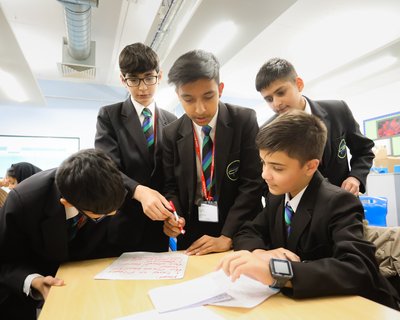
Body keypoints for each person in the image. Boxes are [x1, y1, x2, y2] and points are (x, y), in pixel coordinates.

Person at [218, 110, 399, 310]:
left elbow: (358, 269)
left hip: (358, 307)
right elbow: (247, 231)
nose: (265, 175)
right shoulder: (278, 197)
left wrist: (277, 272)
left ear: (311, 166)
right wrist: (261, 253)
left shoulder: (339, 202)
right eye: (263, 163)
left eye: (277, 168)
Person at [0, 149, 127, 319]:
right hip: (38, 286)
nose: (110, 215)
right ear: (66, 202)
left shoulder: (106, 187)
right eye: (100, 216)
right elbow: (6, 260)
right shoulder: (23, 202)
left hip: (91, 284)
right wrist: (36, 281)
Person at [163, 49, 263, 255]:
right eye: (188, 99)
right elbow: (170, 186)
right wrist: (175, 217)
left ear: (220, 89)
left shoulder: (244, 120)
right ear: (178, 96)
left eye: (208, 96)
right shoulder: (171, 133)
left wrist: (228, 236)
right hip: (192, 230)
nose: (199, 109)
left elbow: (252, 184)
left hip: (239, 228)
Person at [95, 42, 177, 252]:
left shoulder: (173, 121)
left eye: (149, 78)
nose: (142, 87)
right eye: (133, 79)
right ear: (123, 80)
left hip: (160, 225)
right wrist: (138, 191)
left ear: (159, 76)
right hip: (122, 222)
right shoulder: (109, 116)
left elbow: (174, 174)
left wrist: (175, 211)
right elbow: (107, 169)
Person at [255, 58, 374, 195]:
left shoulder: (338, 111)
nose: (276, 103)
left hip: (343, 201)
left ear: (299, 84)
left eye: (281, 93)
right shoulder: (266, 131)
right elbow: (265, 181)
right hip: (298, 211)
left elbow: (364, 150)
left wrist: (355, 177)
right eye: (269, 99)